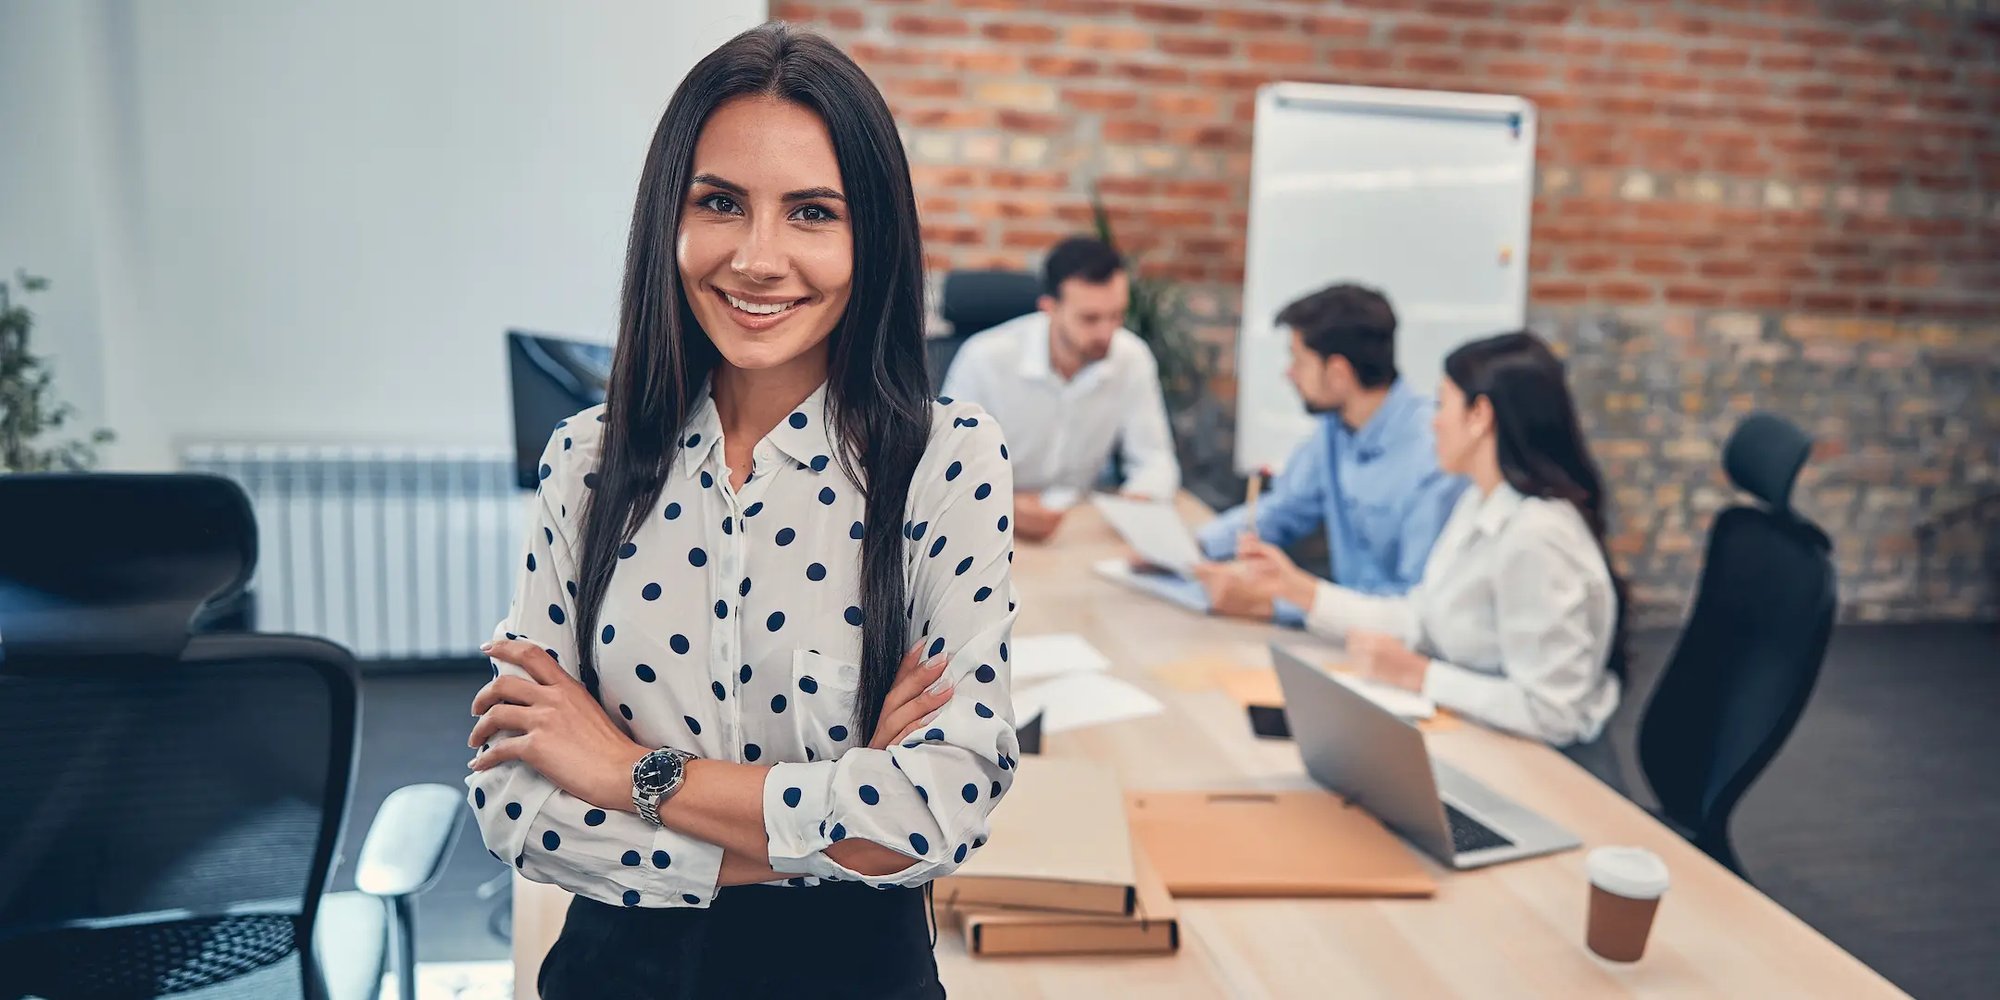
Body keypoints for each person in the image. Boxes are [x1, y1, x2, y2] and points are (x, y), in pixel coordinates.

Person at [463, 24, 1018, 999]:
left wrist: (630, 771)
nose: (759, 259)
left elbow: (938, 808)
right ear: (667, 220)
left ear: (871, 236)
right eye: (720, 203)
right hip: (615, 975)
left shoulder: (943, 460)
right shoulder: (586, 463)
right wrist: (833, 827)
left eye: (811, 212)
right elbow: (515, 804)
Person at [1236, 331, 1625, 776]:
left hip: (1557, 773)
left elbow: (1554, 713)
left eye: (1443, 405)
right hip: (1487, 743)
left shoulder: (1537, 536)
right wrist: (1300, 590)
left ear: (1480, 415)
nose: (1433, 422)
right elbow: (1423, 618)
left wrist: (1419, 676)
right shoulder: (1480, 501)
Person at [1193, 283, 1463, 623]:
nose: (1289, 374)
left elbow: (1413, 605)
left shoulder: (1434, 455)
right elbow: (1284, 509)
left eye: (1299, 361)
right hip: (1341, 631)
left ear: (1338, 373)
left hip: (1392, 644)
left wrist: (1276, 604)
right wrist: (1195, 548)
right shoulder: (1334, 431)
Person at [939, 236, 1180, 542]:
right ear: (1049, 308)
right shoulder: (985, 359)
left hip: (1079, 526)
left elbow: (1154, 459)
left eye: (1117, 315)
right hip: (992, 526)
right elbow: (948, 469)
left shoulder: (1132, 358)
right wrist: (1005, 506)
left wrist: (1141, 498)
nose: (1107, 332)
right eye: (1090, 319)